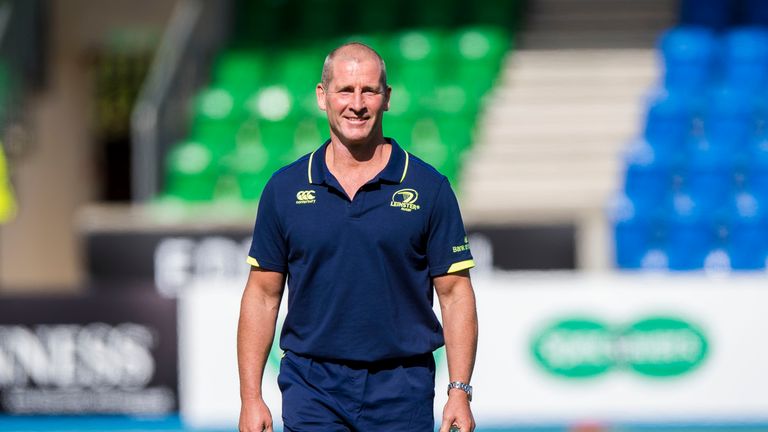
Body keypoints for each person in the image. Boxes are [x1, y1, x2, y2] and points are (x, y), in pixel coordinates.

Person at [237, 42, 478, 432]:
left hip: (402, 388)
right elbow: (262, 294)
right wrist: (251, 398)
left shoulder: (429, 187)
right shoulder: (283, 189)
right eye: (345, 90)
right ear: (322, 96)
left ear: (387, 98)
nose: (357, 103)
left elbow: (455, 294)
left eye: (369, 90)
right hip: (311, 387)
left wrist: (459, 390)